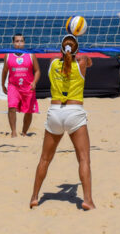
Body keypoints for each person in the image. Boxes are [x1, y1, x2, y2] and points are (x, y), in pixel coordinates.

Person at [30, 34, 95, 211]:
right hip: (74, 112)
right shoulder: (81, 63)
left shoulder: (52, 63)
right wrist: (78, 54)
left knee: (44, 159)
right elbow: (88, 61)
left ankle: (35, 197)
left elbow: (64, 57)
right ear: (77, 51)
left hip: (55, 113)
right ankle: (88, 200)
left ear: (61, 50)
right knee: (83, 159)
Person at [1, 33, 40, 137]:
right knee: (11, 107)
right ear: (13, 43)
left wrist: (34, 82)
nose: (19, 43)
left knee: (28, 111)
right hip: (13, 86)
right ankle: (13, 132)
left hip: (28, 87)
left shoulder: (31, 55)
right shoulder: (8, 56)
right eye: (17, 41)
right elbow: (5, 71)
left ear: (24, 43)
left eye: (21, 41)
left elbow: (37, 71)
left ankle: (24, 132)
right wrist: (2, 85)